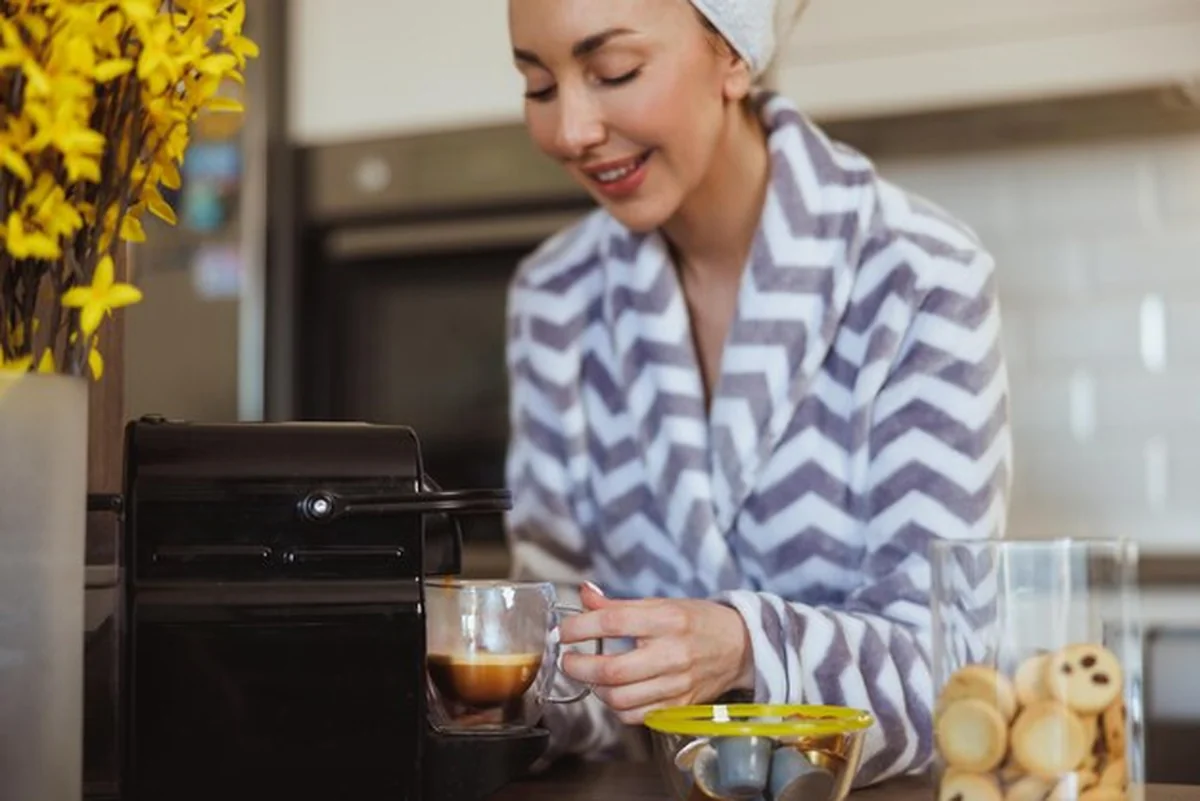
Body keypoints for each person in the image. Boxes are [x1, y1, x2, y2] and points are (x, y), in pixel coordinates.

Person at [501, 0, 1012, 787]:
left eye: (614, 73)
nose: (571, 131)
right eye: (538, 86)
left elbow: (950, 678)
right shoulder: (555, 299)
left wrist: (746, 644)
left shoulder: (917, 277)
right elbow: (565, 648)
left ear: (733, 55)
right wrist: (486, 683)